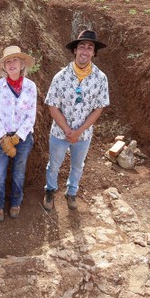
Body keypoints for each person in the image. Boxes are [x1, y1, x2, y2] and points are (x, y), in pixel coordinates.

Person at [42, 29, 110, 212]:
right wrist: (67, 130)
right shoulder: (61, 77)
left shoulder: (100, 79)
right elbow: (52, 106)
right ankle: (50, 190)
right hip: (59, 133)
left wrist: (78, 132)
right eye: (82, 46)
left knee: (78, 166)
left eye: (90, 47)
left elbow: (98, 108)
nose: (85, 51)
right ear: (75, 50)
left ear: (94, 52)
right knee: (54, 165)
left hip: (84, 135)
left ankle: (72, 191)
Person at [0, 45, 38, 221]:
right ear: (3, 66)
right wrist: (4, 139)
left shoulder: (31, 87)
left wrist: (17, 137)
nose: (11, 64)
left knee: (19, 173)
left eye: (14, 60)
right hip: (1, 138)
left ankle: (16, 202)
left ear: (22, 64)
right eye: (7, 61)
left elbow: (31, 116)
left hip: (23, 139)